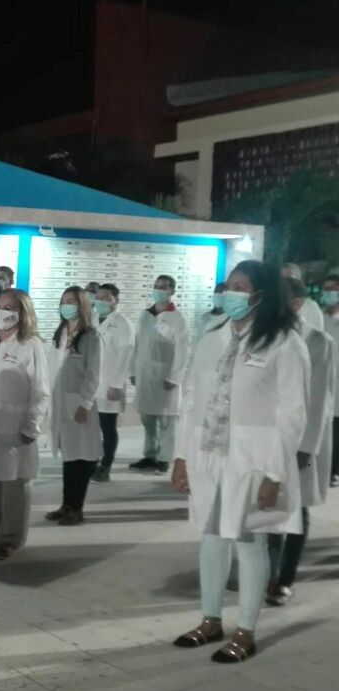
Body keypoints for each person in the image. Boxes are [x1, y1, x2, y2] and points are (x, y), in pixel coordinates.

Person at [171, 260, 309, 663]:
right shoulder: (212, 336)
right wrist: (181, 457)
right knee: (211, 538)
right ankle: (210, 619)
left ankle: (246, 630)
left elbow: (292, 413)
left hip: (254, 459)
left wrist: (276, 473)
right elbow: (191, 400)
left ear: (261, 295)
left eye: (240, 287)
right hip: (208, 454)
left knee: (250, 543)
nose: (231, 294)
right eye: (229, 286)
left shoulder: (284, 342)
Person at [266, 278, 335, 606]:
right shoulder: (265, 336)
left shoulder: (319, 341)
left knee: (295, 509)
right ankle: (265, 572)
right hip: (266, 436)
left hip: (299, 442)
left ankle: (285, 579)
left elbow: (320, 398)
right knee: (265, 507)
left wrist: (307, 446)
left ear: (296, 304)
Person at [0, 289, 49, 559]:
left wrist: (32, 425)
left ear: (23, 312)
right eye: (1, 306)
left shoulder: (31, 345)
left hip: (15, 428)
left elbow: (41, 390)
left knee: (14, 485)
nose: (5, 312)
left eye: (11, 307)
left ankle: (10, 537)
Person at [45, 287, 102, 526]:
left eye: (72, 302)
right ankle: (66, 505)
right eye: (64, 301)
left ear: (82, 306)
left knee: (82, 458)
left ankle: (77, 508)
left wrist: (85, 403)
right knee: (69, 457)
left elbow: (93, 374)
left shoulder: (90, 336)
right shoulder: (61, 332)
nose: (67, 305)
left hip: (79, 405)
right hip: (60, 402)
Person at [130, 275, 188, 473]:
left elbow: (182, 350)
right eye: (157, 286)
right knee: (147, 418)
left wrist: (174, 376)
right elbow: (137, 344)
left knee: (166, 419)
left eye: (164, 287)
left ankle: (165, 457)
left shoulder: (177, 318)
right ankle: (150, 455)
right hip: (145, 374)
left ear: (172, 291)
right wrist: (132, 370)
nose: (160, 290)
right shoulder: (145, 315)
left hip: (166, 375)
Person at [93, 283, 134, 482]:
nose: (100, 301)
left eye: (106, 298)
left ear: (115, 300)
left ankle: (106, 465)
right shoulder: (92, 319)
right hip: (91, 383)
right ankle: (93, 461)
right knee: (92, 427)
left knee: (108, 427)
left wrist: (116, 384)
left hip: (110, 383)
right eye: (98, 297)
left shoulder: (123, 324)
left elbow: (125, 355)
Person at [322, 274, 339, 487]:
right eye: (326, 289)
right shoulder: (317, 316)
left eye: (333, 290)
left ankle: (334, 470)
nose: (329, 294)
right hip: (323, 380)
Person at [282, 262, 325, 333]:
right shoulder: (272, 303)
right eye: (282, 279)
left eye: (289, 279)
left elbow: (317, 337)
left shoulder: (311, 307)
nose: (286, 283)